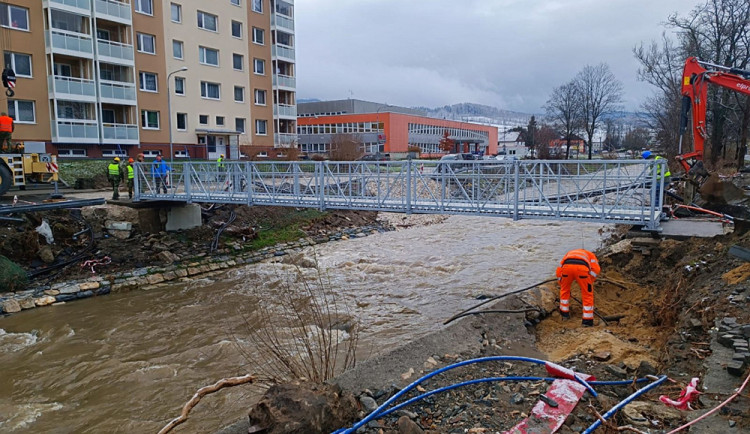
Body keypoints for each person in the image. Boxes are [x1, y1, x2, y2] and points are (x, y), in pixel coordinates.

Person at [556, 249, 600, 327]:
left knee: (564, 290)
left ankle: (564, 315)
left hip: (567, 268)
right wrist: (589, 280)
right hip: (582, 270)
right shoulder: (591, 255)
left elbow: (559, 268)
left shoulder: (569, 253)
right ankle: (587, 321)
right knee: (587, 294)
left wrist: (561, 283)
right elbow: (596, 269)